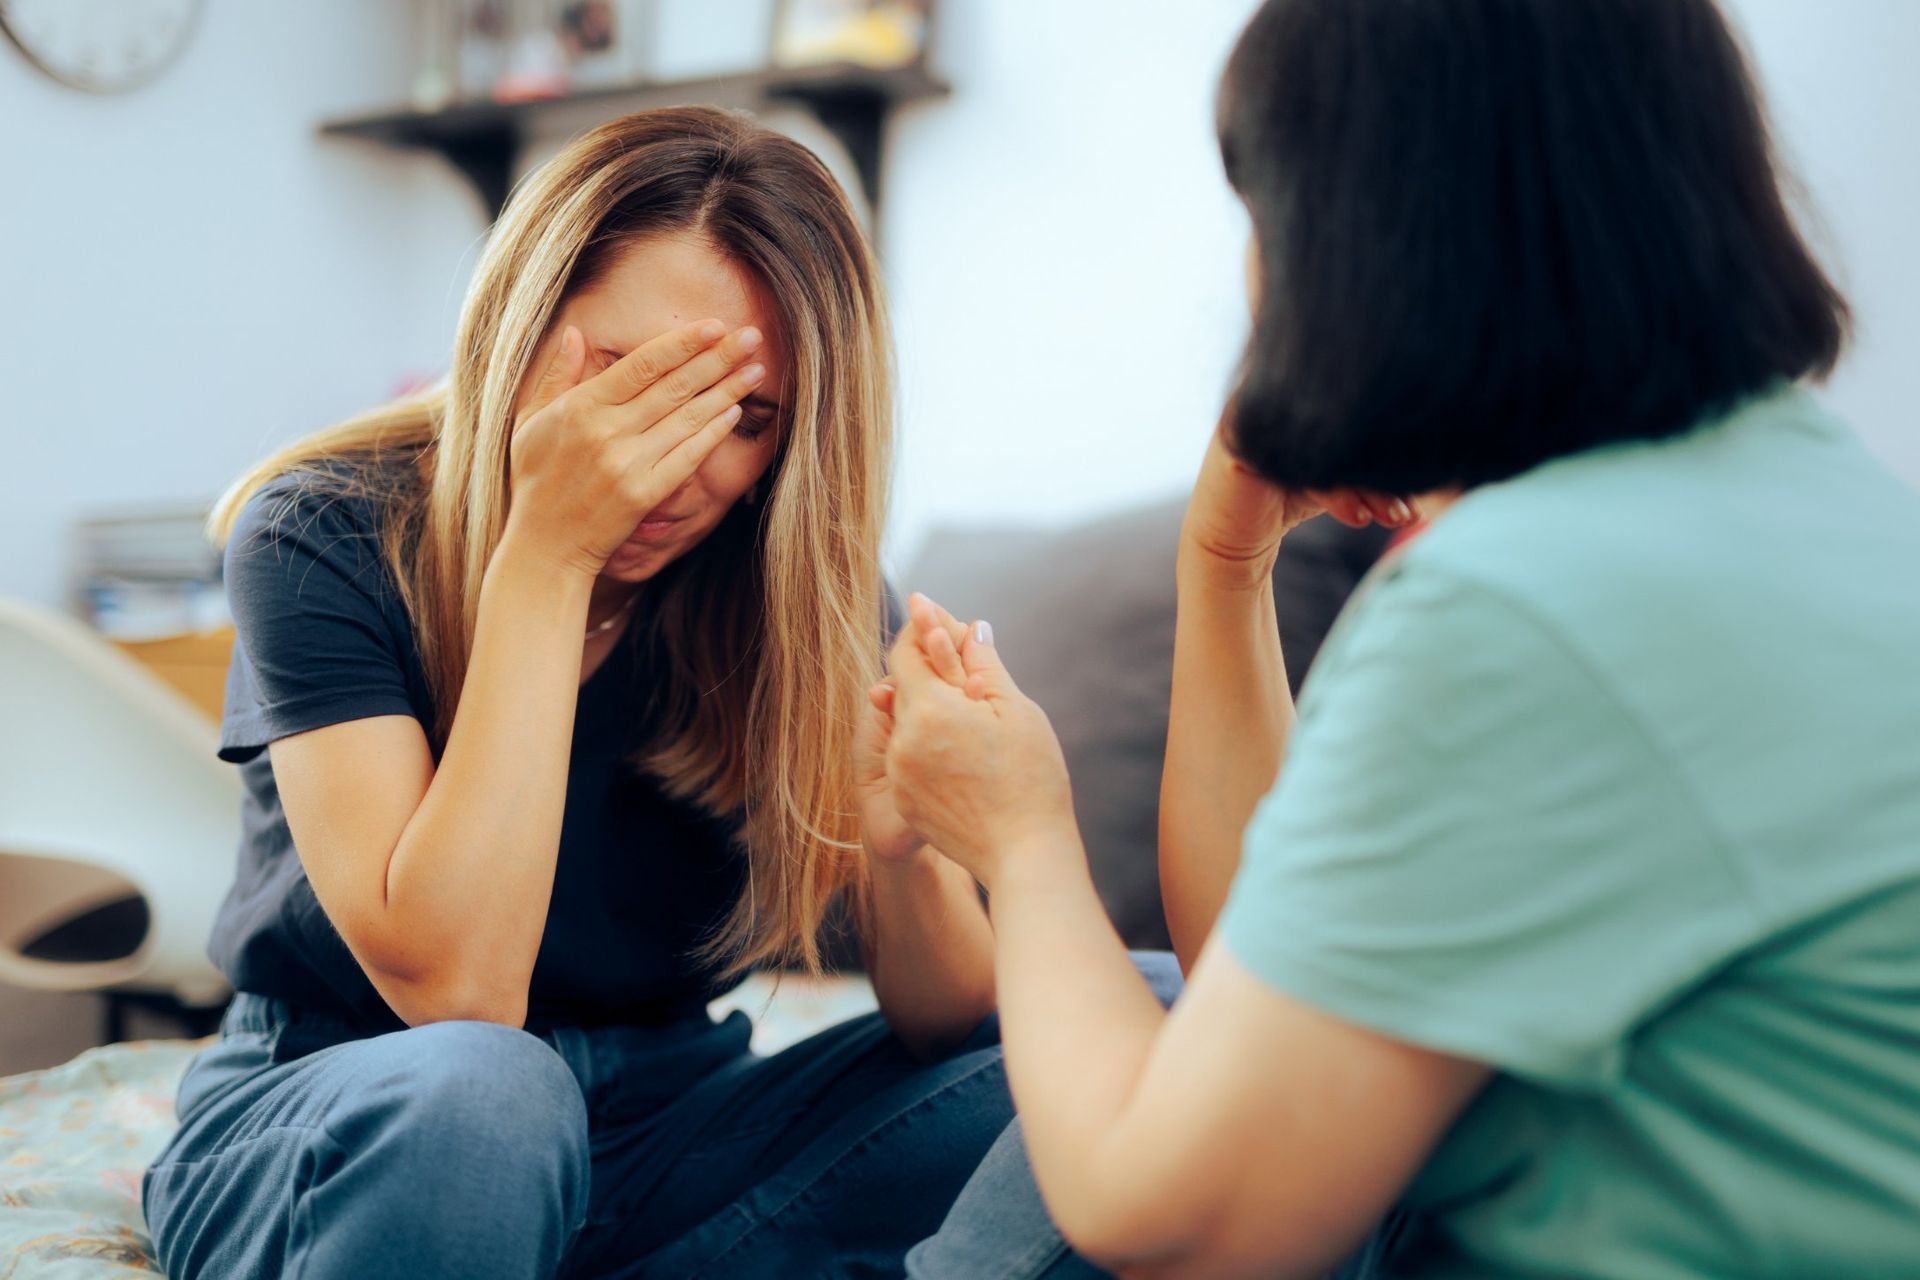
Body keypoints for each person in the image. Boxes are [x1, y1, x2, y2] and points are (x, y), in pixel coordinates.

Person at [883, 0, 1920, 1276]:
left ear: (1363, 236)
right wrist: (1223, 567)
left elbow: (1181, 1221)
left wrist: (1021, 836)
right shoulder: (1823, 501)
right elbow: (1268, 980)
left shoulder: (1526, 607)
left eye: (1261, 216)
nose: (1252, 279)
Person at [142, 106, 1014, 1280]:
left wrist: (903, 849)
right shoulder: (323, 528)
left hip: (667, 1121)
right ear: (522, 324)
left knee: (1123, 1022)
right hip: (366, 1104)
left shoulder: (795, 582)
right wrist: (547, 555)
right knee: (492, 1095)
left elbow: (953, 1026)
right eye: (633, 382)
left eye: (745, 418)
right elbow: (457, 992)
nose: (678, 464)